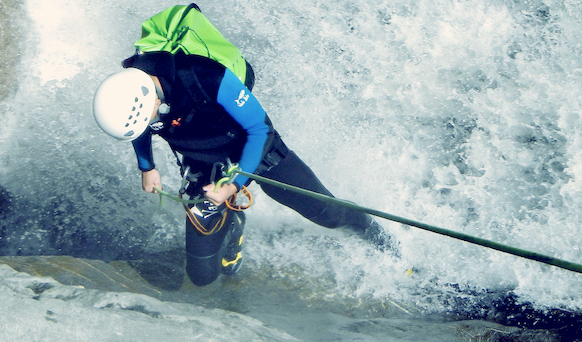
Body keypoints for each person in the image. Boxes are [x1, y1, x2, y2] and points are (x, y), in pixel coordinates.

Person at [93, 49, 392, 286]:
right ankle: (233, 223)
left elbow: (261, 130)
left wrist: (233, 185)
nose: (151, 126)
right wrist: (147, 167)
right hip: (204, 162)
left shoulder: (205, 76)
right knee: (202, 276)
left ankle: (383, 241)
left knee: (328, 214)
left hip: (254, 149)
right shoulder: (133, 89)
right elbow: (141, 127)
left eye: (149, 121)